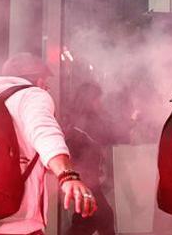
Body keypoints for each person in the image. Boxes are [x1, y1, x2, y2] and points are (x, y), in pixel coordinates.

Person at [0, 53, 97, 235]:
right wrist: (68, 176)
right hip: (17, 223)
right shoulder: (32, 96)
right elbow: (44, 131)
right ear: (39, 80)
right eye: (46, 83)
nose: (47, 88)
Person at [62, 80, 116, 235]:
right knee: (103, 217)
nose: (100, 102)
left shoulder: (86, 121)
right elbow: (76, 154)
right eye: (97, 99)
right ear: (88, 100)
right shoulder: (79, 126)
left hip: (88, 181)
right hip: (86, 182)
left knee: (86, 221)